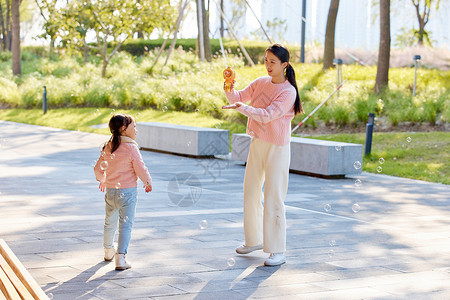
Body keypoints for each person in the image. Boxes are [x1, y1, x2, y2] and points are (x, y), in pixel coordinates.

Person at [222, 43, 303, 266]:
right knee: (250, 191)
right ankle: (254, 240)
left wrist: (241, 107)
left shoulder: (288, 92)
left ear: (284, 65)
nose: (267, 65)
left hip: (277, 147)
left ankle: (278, 250)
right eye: (266, 61)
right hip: (258, 142)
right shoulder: (260, 82)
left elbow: (267, 115)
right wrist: (229, 85)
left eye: (272, 62)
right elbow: (237, 97)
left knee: (274, 196)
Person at [94, 114, 152, 270]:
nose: (136, 130)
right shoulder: (131, 148)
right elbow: (140, 167)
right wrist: (147, 181)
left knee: (109, 222)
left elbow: (98, 169)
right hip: (128, 192)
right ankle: (121, 258)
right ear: (123, 129)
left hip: (111, 191)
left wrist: (103, 180)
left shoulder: (108, 146)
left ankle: (108, 251)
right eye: (134, 127)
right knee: (125, 225)